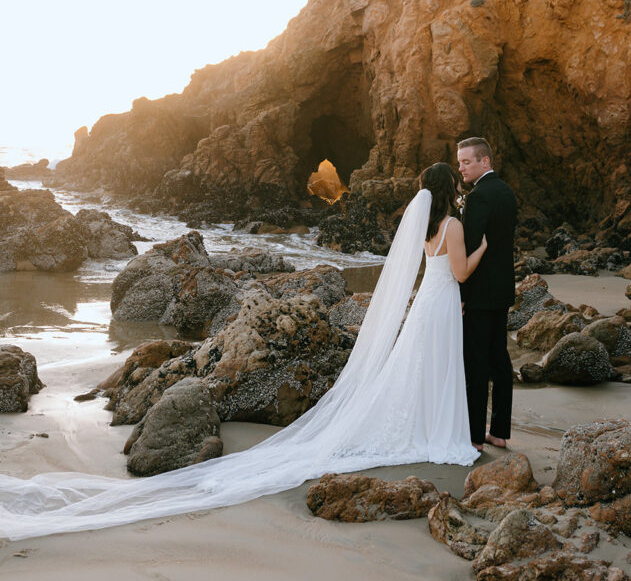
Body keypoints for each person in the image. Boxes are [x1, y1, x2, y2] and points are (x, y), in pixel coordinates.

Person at [0, 163, 486, 541]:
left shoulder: (426, 229)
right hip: (442, 303)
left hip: (426, 304)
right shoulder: (457, 228)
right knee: (436, 367)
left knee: (417, 366)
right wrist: (484, 247)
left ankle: (422, 423)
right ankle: (435, 427)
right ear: (452, 189)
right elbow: (461, 274)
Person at [457, 137, 517, 452]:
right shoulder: (507, 193)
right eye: (459, 162)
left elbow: (470, 247)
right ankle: (500, 432)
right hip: (503, 290)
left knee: (477, 365)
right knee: (500, 361)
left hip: (479, 294)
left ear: (485, 162)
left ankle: (474, 437)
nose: (461, 167)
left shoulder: (479, 197)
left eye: (467, 162)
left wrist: (462, 294)